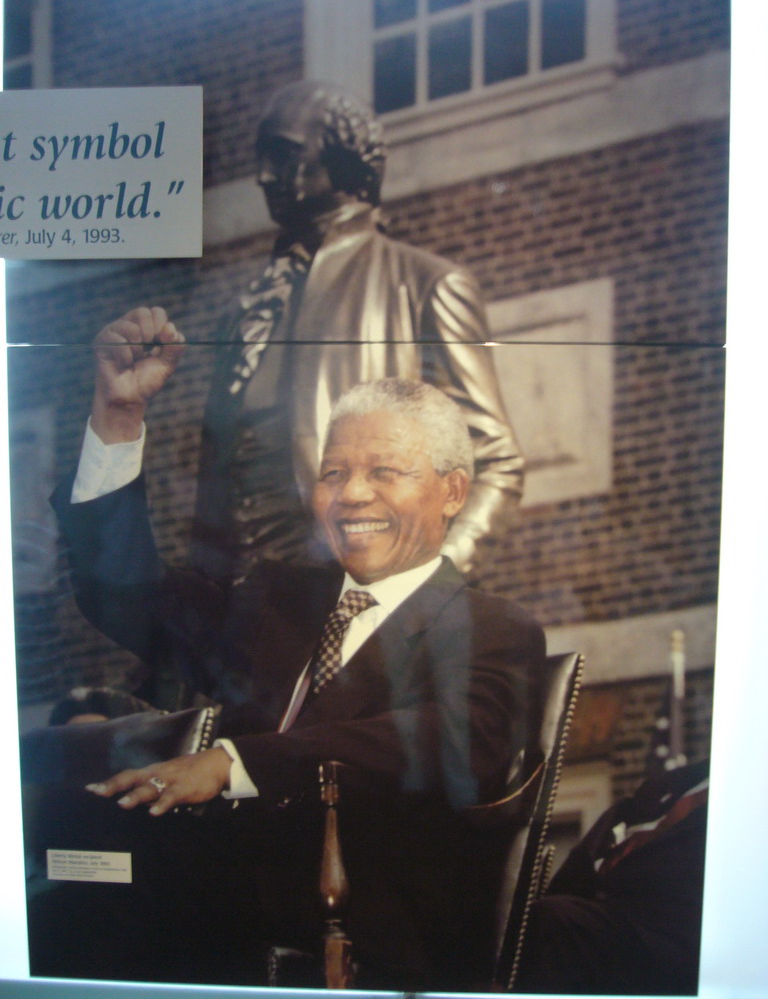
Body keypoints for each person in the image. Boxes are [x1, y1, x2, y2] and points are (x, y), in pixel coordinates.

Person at [36, 307, 544, 989]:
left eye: (385, 471)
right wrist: (119, 418)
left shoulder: (494, 629)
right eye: (333, 474)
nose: (351, 495)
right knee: (58, 887)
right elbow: (127, 597)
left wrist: (232, 762)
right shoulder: (275, 600)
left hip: (357, 930)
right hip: (208, 895)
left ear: (452, 491)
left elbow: (448, 743)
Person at [192, 78, 523, 582]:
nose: (263, 176)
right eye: (261, 157)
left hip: (361, 602)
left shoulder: (426, 285)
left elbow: (494, 461)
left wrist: (421, 589)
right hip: (242, 619)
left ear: (344, 158)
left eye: (284, 155)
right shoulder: (245, 312)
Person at [514, 760, 709, 995]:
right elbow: (602, 836)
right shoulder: (680, 780)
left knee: (555, 919)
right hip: (597, 910)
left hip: (667, 943)